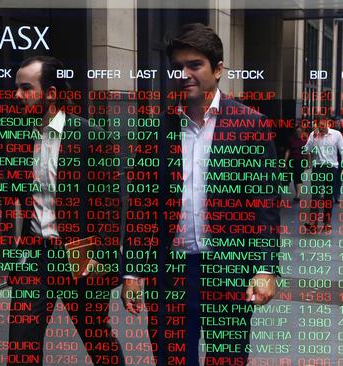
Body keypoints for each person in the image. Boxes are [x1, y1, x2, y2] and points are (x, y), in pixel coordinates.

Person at [120, 23, 280, 366]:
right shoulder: (158, 132)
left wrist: (266, 268)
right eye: (177, 66)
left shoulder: (250, 126)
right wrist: (132, 273)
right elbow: (141, 210)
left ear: (218, 69)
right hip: (172, 274)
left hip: (228, 272)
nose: (184, 74)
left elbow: (264, 207)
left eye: (194, 65)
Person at [0, 56, 125, 366]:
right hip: (35, 256)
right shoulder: (17, 138)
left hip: (80, 255)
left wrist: (101, 253)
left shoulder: (89, 136)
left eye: (26, 88)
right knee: (21, 349)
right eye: (16, 88)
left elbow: (111, 204)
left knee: (99, 343)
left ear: (51, 93)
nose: (17, 95)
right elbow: (4, 192)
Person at [303, 118, 343, 233]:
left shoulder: (336, 135)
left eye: (323, 126)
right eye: (319, 126)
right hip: (318, 167)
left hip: (332, 168)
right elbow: (305, 150)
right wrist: (313, 139)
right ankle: (313, 222)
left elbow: (342, 150)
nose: (321, 128)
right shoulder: (313, 135)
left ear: (328, 124)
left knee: (328, 196)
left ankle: (327, 222)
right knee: (315, 194)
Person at [284, 125, 307, 202]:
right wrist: (285, 161)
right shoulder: (291, 140)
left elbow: (308, 152)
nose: (299, 132)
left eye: (300, 131)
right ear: (295, 132)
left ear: (302, 132)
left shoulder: (305, 140)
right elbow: (288, 151)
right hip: (292, 160)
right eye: (297, 131)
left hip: (301, 160)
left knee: (298, 176)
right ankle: (297, 193)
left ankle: (298, 196)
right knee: (294, 177)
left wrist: (309, 162)